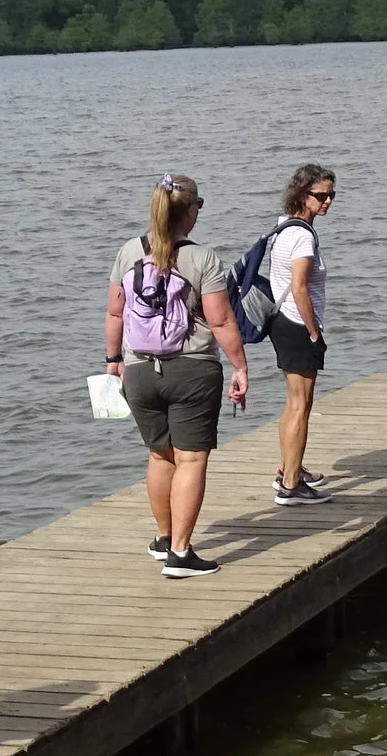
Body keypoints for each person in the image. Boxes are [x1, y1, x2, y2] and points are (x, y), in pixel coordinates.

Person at [105, 175, 251, 577]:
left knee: (159, 455)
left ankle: (164, 538)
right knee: (191, 459)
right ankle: (182, 555)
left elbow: (115, 313)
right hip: (192, 371)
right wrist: (239, 366)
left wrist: (112, 360)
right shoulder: (202, 258)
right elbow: (220, 321)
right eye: (198, 205)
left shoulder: (128, 252)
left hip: (138, 371)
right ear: (188, 211)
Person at [266, 164, 336, 505]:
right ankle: (291, 485)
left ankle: (288, 468)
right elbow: (298, 288)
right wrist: (313, 332)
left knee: (294, 402)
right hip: (297, 324)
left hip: (282, 323)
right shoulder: (303, 236)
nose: (327, 202)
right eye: (320, 195)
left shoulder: (284, 227)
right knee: (301, 404)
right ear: (301, 194)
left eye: (331, 195)